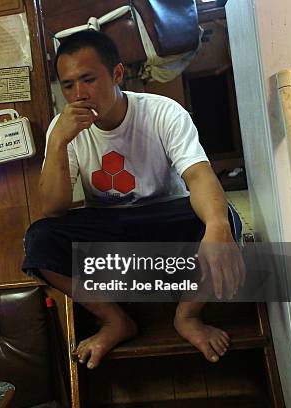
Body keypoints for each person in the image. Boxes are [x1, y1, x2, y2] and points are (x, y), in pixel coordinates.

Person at [22, 30, 245, 369]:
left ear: (117, 75)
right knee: (39, 239)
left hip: (166, 221)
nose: (79, 94)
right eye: (68, 85)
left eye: (88, 79)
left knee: (225, 218)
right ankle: (115, 320)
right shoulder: (62, 129)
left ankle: (187, 316)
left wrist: (215, 226)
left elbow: (199, 176)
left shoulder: (162, 112)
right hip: (110, 231)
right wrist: (57, 145)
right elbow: (53, 210)